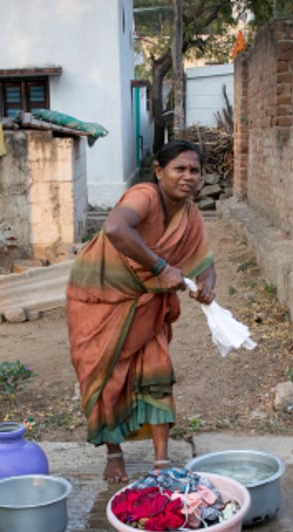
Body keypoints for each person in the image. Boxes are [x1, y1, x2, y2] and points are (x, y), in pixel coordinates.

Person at [65, 140, 217, 483]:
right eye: (180, 169)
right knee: (107, 376)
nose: (188, 177)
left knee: (156, 371)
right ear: (159, 171)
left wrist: (207, 284)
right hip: (99, 298)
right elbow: (116, 228)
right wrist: (161, 267)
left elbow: (204, 261)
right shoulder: (145, 195)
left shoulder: (190, 214)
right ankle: (114, 454)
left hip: (148, 303)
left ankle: (161, 462)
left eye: (194, 170)